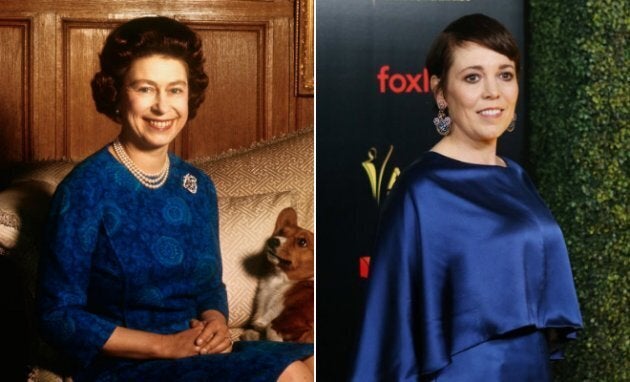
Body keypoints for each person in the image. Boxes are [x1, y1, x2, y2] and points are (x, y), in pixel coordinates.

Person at [37, 16, 313, 381]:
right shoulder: (85, 189)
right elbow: (57, 315)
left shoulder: (197, 186)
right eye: (145, 88)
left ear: (189, 95)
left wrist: (215, 321)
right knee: (291, 374)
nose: (162, 107)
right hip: (126, 364)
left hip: (195, 352)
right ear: (118, 93)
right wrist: (164, 346)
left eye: (175, 89)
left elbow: (209, 288)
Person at [351, 14, 582, 381]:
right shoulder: (421, 190)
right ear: (441, 92)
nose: (493, 91)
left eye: (504, 74)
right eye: (472, 77)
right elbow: (390, 327)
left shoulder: (516, 176)